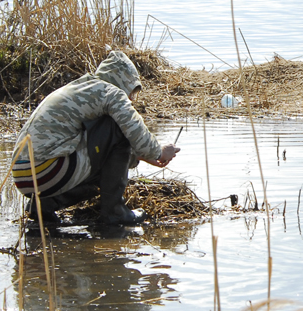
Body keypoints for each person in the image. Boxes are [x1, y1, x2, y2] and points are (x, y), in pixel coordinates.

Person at [11, 50, 180, 228]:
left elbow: (99, 150)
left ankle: (43, 206)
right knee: (117, 126)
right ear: (122, 81)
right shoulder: (110, 92)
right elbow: (133, 129)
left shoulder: (82, 89)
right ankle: (115, 213)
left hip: (25, 177)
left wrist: (143, 156)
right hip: (49, 170)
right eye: (131, 92)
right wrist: (159, 151)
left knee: (107, 165)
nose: (131, 99)